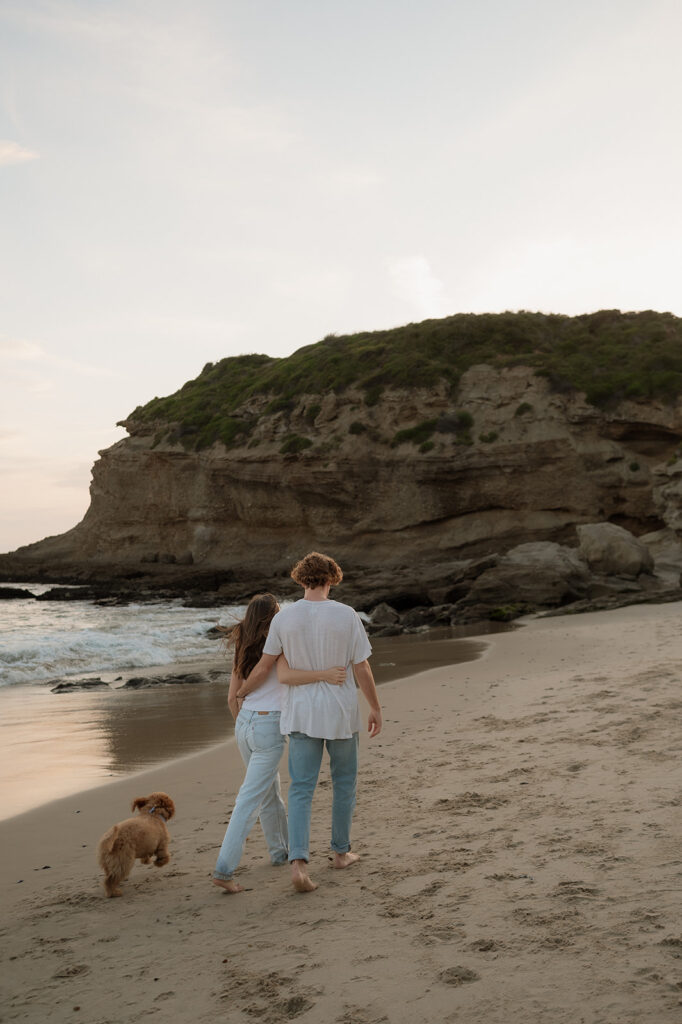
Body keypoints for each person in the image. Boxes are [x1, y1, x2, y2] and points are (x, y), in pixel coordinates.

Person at [237, 552, 382, 893]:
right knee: (344, 782)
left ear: (301, 580)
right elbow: (362, 668)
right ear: (332, 579)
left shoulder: (283, 619)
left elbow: (265, 666)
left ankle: (299, 864)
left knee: (301, 788)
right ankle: (340, 853)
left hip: (301, 715)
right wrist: (375, 706)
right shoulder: (346, 615)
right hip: (341, 715)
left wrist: (241, 692)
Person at [212, 593, 345, 894]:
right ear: (272, 617)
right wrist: (324, 675)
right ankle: (224, 869)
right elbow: (288, 677)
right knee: (249, 799)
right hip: (268, 727)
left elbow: (231, 697)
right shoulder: (279, 644)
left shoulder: (242, 647)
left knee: (269, 792)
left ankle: (279, 853)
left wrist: (243, 721)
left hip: (244, 724)